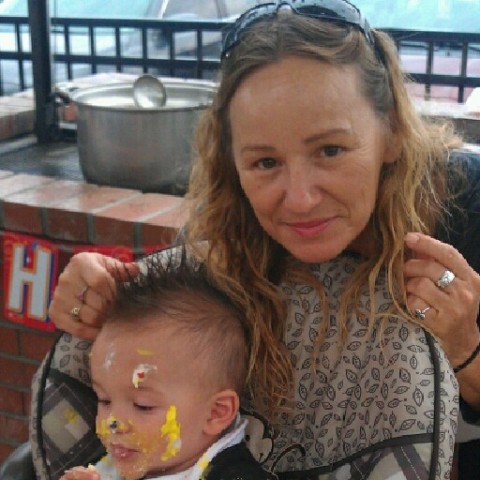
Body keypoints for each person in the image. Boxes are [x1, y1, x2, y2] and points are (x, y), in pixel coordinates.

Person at [42, 0, 480, 478]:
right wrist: (101, 293)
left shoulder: (468, 203)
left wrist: (467, 351)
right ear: (232, 161)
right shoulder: (231, 230)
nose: (300, 199)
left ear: (392, 131)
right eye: (265, 162)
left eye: (330, 150)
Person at [59, 251, 267, 480]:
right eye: (104, 400)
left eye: (142, 406)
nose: (113, 422)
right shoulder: (121, 462)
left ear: (215, 413)